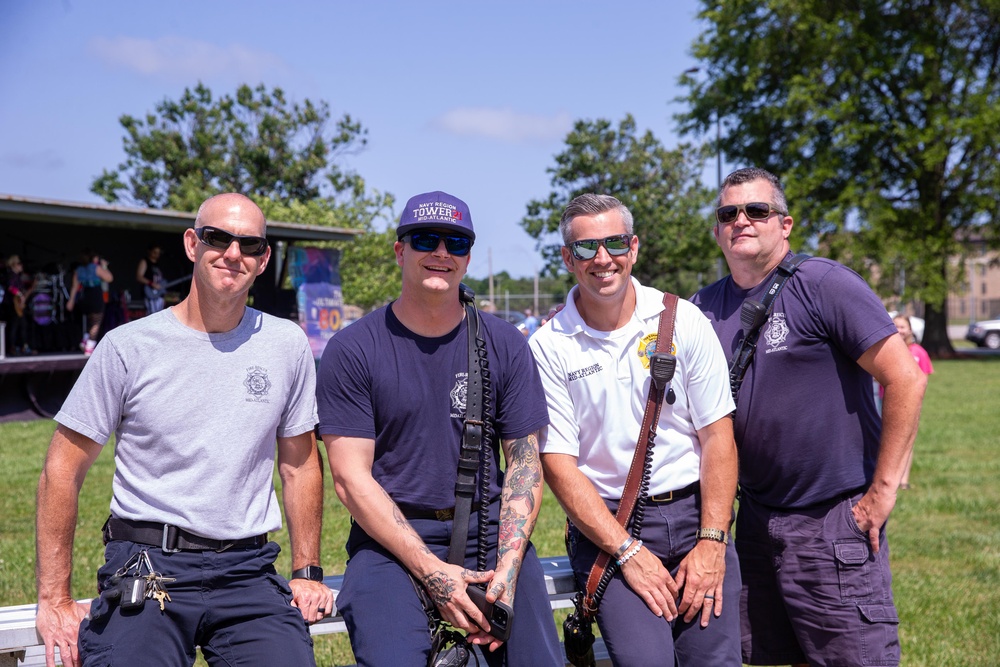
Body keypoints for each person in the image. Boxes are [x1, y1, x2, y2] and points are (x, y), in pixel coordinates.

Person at [35, 193, 332, 667]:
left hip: (247, 572)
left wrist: (308, 571)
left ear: (263, 260)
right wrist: (54, 598)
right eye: (218, 238)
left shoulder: (286, 344)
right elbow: (61, 469)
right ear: (193, 244)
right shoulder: (128, 347)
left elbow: (299, 464)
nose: (233, 254)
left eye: (250, 245)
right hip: (148, 564)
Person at [691, 167, 927, 666]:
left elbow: (905, 378)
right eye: (728, 213)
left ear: (785, 223)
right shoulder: (702, 309)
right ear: (716, 229)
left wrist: (881, 493)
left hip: (834, 520)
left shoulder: (823, 284)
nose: (742, 221)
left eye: (757, 210)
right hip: (754, 523)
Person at [316, 190, 561, 666]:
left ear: (468, 258)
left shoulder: (505, 343)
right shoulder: (353, 349)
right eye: (426, 238)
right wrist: (432, 572)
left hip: (490, 534)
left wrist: (509, 567)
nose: (441, 253)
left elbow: (525, 464)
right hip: (388, 540)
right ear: (399, 249)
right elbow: (350, 479)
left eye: (457, 243)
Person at [529, 193, 742, 665]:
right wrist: (627, 552)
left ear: (635, 247)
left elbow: (718, 437)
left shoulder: (682, 319)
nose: (602, 259)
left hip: (696, 516)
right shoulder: (548, 345)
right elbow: (558, 463)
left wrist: (711, 542)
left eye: (615, 243)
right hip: (609, 526)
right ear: (567, 258)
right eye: (585, 248)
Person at [891, 314, 933, 490]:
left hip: (908, 403)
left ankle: (903, 480)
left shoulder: (918, 352)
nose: (899, 330)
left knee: (906, 440)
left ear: (910, 330)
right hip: (886, 401)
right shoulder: (888, 350)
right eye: (896, 326)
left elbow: (923, 379)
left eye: (902, 327)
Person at [66, 249, 113, 354]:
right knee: (96, 321)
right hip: (95, 295)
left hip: (84, 296)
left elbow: (74, 286)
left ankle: (85, 340)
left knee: (90, 319)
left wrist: (71, 301)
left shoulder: (78, 270)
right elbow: (109, 278)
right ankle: (90, 345)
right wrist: (104, 266)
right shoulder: (96, 268)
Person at [2, 254, 34, 356]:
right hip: (12, 305)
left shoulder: (17, 277)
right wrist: (20, 294)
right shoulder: (11, 275)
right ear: (13, 264)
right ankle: (13, 347)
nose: (21, 266)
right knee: (14, 326)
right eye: (19, 264)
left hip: (17, 306)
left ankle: (22, 346)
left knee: (22, 325)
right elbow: (11, 288)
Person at [136, 243, 166, 314]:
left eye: (158, 253)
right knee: (151, 314)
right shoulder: (145, 261)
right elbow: (139, 277)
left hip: (158, 294)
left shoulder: (157, 264)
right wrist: (151, 283)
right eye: (154, 252)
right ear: (150, 251)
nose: (156, 255)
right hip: (149, 293)